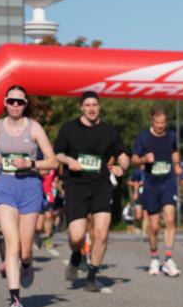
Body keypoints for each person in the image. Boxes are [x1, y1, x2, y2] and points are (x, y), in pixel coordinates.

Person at [0, 85, 57, 307]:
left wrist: (31, 164)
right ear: (5, 102)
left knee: (25, 251)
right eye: (11, 101)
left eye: (20, 102)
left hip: (30, 189)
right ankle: (15, 302)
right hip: (5, 188)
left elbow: (53, 161)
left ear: (25, 104)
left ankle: (26, 264)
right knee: (12, 244)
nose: (15, 105)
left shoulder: (34, 128)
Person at [54, 91, 130, 292]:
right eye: (87, 105)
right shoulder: (69, 128)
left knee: (102, 233)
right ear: (82, 107)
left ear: (99, 107)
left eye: (95, 105)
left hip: (100, 185)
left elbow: (123, 155)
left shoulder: (109, 131)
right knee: (76, 236)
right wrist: (69, 160)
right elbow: (58, 153)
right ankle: (76, 254)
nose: (91, 109)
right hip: (76, 185)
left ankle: (92, 276)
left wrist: (122, 166)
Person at [131, 105, 182, 277]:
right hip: (151, 185)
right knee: (153, 227)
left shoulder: (171, 135)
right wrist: (144, 159)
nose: (161, 126)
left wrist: (177, 165)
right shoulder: (144, 137)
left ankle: (168, 258)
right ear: (152, 121)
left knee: (170, 220)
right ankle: (154, 257)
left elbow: (175, 151)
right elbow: (134, 158)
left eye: (163, 123)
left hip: (168, 183)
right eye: (157, 123)